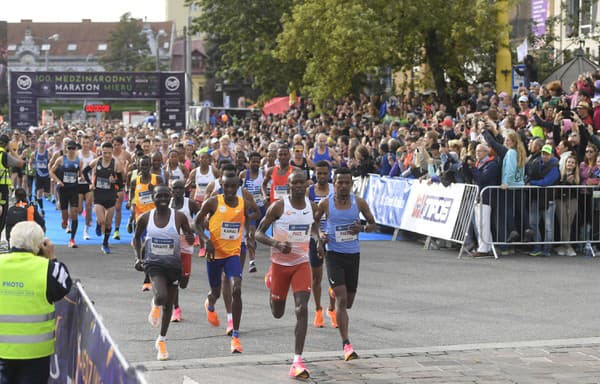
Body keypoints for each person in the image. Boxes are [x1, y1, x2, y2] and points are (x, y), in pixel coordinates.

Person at [255, 171, 322, 379]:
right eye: (294, 184)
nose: (299, 187)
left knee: (302, 308)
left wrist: (319, 239)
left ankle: (297, 361)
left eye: (302, 183)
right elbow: (256, 233)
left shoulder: (312, 206)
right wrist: (276, 243)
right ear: (289, 186)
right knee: (277, 312)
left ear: (306, 185)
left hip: (301, 263)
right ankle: (271, 281)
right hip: (279, 265)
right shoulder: (279, 206)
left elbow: (314, 227)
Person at [316, 167, 376, 361]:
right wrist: (320, 236)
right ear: (335, 184)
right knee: (342, 300)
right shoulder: (326, 203)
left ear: (351, 184)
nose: (343, 186)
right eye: (339, 182)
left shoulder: (358, 203)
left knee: (348, 302)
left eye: (346, 182)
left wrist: (363, 228)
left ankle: (333, 292)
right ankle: (346, 345)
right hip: (333, 254)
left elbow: (373, 224)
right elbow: (313, 223)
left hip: (353, 255)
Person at [0, 221, 72, 384]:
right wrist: (52, 256)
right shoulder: (48, 268)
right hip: (35, 352)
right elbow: (65, 285)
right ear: (40, 245)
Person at [132, 185, 195, 361]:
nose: (163, 199)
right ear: (153, 197)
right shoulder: (146, 217)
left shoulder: (179, 216)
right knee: (161, 297)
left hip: (174, 266)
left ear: (170, 198)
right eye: (159, 196)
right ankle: (155, 303)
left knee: (168, 306)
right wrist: (138, 258)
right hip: (154, 264)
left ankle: (161, 340)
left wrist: (191, 238)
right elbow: (136, 238)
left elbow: (189, 237)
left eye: (166, 196)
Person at [195, 172, 253, 354]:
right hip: (214, 255)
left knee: (236, 287)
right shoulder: (213, 202)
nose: (229, 190)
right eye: (226, 186)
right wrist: (206, 241)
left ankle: (235, 336)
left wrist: (250, 232)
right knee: (216, 291)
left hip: (232, 254)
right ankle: (210, 303)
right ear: (222, 185)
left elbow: (254, 213)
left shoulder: (243, 203)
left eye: (232, 187)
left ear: (238, 187)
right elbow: (196, 224)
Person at [306, 160, 337, 327]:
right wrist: (318, 236)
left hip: (333, 239)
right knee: (316, 278)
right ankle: (318, 310)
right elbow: (308, 219)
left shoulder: (335, 190)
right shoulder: (308, 192)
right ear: (314, 174)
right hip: (315, 238)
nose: (322, 176)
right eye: (319, 173)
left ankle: (332, 309)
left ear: (330, 173)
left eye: (325, 173)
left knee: (336, 279)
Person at [129, 156, 163, 291]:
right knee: (143, 245)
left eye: (146, 165)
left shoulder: (157, 179)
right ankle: (144, 272)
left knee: (150, 247)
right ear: (138, 166)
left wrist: (153, 190)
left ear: (150, 166)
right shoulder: (134, 181)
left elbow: (165, 195)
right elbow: (133, 199)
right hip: (140, 218)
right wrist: (131, 217)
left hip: (155, 217)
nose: (144, 168)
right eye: (142, 166)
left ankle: (152, 273)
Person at [169, 179, 200, 322]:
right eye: (175, 189)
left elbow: (202, 219)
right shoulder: (167, 203)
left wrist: (193, 231)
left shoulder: (190, 204)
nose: (177, 191)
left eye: (180, 189)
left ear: (184, 190)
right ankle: (176, 309)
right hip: (172, 245)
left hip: (186, 244)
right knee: (174, 279)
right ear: (172, 190)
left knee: (184, 282)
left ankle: (175, 305)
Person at [87, 142, 124, 254]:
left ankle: (105, 243)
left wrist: (115, 181)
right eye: (104, 153)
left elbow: (121, 181)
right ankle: (98, 224)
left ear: (112, 152)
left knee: (108, 223)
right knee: (102, 220)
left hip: (111, 195)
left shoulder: (116, 163)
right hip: (98, 194)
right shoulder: (97, 161)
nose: (106, 155)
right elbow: (85, 171)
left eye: (108, 153)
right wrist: (90, 183)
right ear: (101, 151)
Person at [526, 144, 560, 256]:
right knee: (533, 223)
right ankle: (537, 247)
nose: (544, 156)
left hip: (548, 200)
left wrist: (533, 183)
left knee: (548, 227)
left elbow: (546, 182)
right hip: (536, 198)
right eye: (543, 153)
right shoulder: (536, 163)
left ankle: (547, 249)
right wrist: (531, 181)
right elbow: (530, 176)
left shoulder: (555, 166)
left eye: (547, 154)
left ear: (551, 154)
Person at [49, 141, 82, 248]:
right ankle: (64, 220)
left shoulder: (79, 161)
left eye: (73, 148)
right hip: (63, 189)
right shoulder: (61, 159)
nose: (71, 150)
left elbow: (80, 174)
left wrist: (81, 178)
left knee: (74, 213)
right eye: (70, 148)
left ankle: (72, 239)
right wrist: (58, 181)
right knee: (65, 214)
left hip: (74, 189)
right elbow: (51, 172)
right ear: (66, 149)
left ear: (76, 149)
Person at [240, 151, 266, 273]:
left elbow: (265, 187)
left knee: (255, 235)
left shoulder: (263, 174)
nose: (255, 163)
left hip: (260, 207)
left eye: (257, 161)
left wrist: (265, 197)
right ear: (249, 162)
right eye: (253, 161)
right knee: (250, 234)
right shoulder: (243, 174)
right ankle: (252, 262)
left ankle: (252, 244)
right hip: (249, 208)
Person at [0, 134, 23, 236]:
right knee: (2, 215)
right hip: (2, 189)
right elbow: (20, 163)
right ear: (6, 144)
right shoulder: (4, 155)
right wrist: (12, 150)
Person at [556, 155, 579, 257]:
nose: (570, 164)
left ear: (575, 165)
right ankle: (564, 245)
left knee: (568, 223)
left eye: (572, 162)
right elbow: (558, 187)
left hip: (572, 200)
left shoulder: (577, 176)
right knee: (562, 222)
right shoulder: (560, 174)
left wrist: (572, 183)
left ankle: (566, 245)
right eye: (569, 162)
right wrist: (566, 182)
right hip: (560, 200)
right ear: (565, 163)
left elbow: (576, 190)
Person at [30, 138, 50, 216]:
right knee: (39, 192)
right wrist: (30, 168)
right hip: (38, 174)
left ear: (45, 144)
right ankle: (41, 209)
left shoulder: (48, 153)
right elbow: (30, 162)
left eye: (43, 143)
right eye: (41, 143)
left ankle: (36, 199)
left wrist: (50, 171)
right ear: (38, 143)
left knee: (46, 194)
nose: (42, 144)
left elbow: (51, 163)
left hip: (46, 174)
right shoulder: (34, 153)